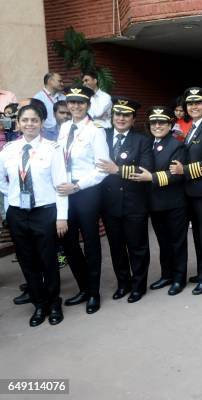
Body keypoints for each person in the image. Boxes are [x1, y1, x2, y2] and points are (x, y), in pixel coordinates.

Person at [0, 104, 68, 326]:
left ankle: (54, 303)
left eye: (34, 120)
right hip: (17, 214)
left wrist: (61, 216)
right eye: (25, 120)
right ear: (18, 123)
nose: (29, 124)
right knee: (27, 261)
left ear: (41, 123)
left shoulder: (52, 149)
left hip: (44, 212)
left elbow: (61, 184)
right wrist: (11, 201)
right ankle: (39, 305)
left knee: (48, 260)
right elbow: (2, 180)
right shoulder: (8, 149)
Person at [56, 85, 109, 314]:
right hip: (65, 193)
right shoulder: (64, 127)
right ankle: (83, 287)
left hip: (86, 191)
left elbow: (103, 169)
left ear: (88, 105)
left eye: (81, 102)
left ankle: (94, 293)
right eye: (72, 102)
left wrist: (77, 185)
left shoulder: (96, 131)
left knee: (90, 242)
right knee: (68, 242)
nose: (76, 106)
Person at [97, 97, 153, 303]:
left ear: (133, 118)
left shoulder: (143, 140)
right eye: (118, 114)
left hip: (134, 203)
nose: (121, 118)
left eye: (126, 115)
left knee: (137, 247)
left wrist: (117, 170)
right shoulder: (101, 136)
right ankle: (123, 283)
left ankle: (138, 286)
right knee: (116, 247)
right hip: (109, 203)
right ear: (112, 116)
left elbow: (145, 170)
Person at [130, 106, 188, 296]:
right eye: (154, 123)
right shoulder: (147, 143)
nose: (157, 126)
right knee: (163, 241)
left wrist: (151, 178)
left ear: (169, 124)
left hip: (174, 202)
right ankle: (167, 275)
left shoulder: (177, 144)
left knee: (177, 242)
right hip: (154, 203)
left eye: (161, 122)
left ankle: (179, 278)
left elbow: (176, 175)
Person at [174, 87, 202, 295]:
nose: (193, 106)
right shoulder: (193, 126)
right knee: (199, 236)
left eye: (198, 103)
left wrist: (183, 170)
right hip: (192, 190)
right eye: (190, 103)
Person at [32, 72, 65, 138]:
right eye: (60, 81)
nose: (62, 84)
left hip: (63, 132)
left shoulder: (64, 97)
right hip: (46, 134)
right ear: (50, 81)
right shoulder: (38, 98)